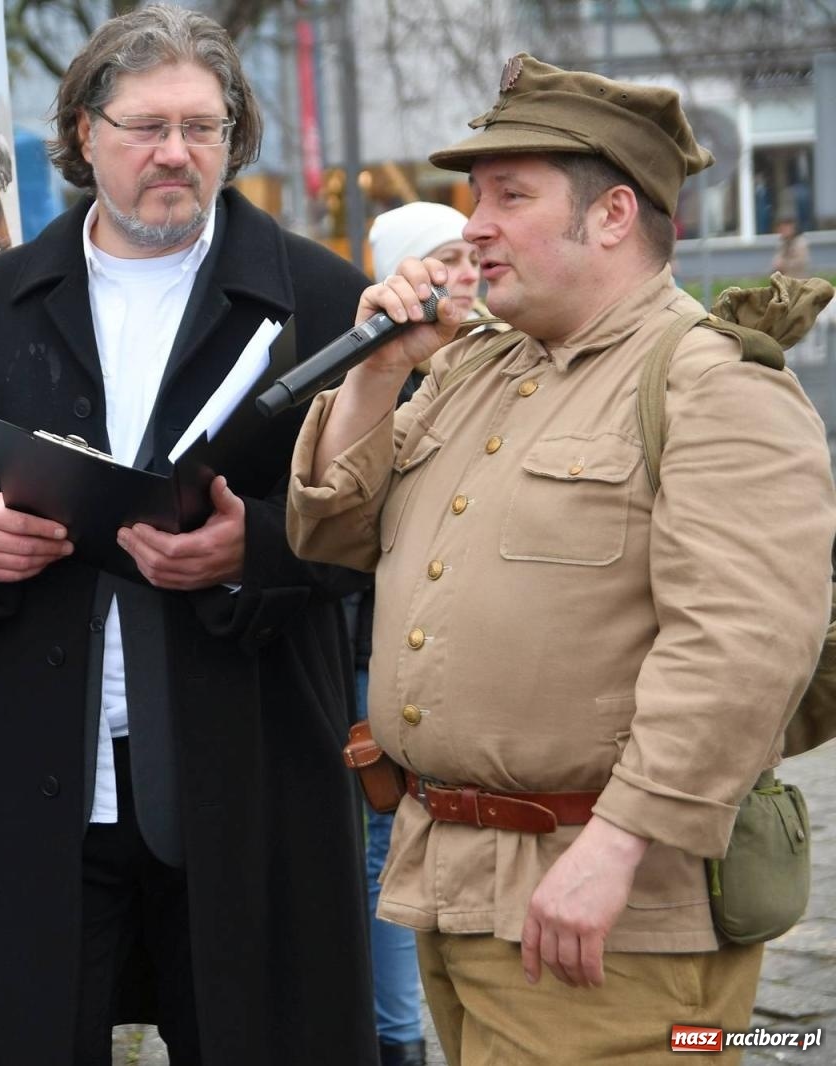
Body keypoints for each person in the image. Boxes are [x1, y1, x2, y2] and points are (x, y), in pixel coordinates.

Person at [288, 54, 836, 1065]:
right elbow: (330, 534)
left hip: (605, 908)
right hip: (453, 884)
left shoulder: (713, 385)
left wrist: (615, 848)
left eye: (510, 194)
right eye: (472, 197)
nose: (473, 224)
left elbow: (741, 649)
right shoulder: (473, 369)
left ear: (614, 215)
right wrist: (375, 376)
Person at [0, 6, 377, 1063]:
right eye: (147, 127)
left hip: (251, 762)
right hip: (47, 765)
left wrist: (261, 549)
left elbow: (391, 514)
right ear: (84, 132)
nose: (175, 154)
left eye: (203, 127)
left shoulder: (320, 298)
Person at [347, 200, 484, 1066]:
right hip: (382, 658)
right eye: (444, 260)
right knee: (386, 847)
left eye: (472, 254)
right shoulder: (389, 374)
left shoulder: (504, 360)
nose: (466, 272)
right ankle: (399, 1039)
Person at [772, 214, 812, 279]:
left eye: (785, 228)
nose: (782, 231)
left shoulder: (800, 242)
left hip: (799, 279)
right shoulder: (782, 243)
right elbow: (776, 260)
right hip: (786, 280)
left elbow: (801, 262)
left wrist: (784, 264)